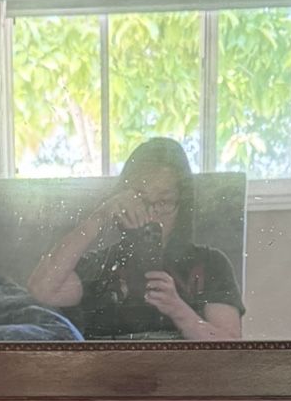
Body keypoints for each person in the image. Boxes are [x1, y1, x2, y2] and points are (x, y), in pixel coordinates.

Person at [27, 137, 244, 340]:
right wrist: (101, 216)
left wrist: (179, 311)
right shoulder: (101, 265)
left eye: (164, 202)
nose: (151, 214)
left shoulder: (211, 264)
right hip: (107, 377)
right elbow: (42, 290)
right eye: (140, 199)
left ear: (181, 206)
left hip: (183, 378)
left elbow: (232, 351)